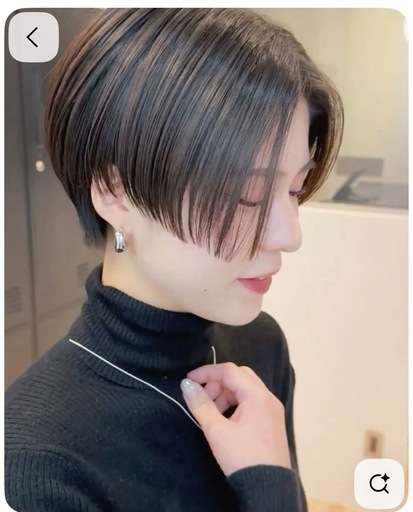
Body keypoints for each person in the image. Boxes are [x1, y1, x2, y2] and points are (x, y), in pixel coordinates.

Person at [5, 8, 343, 512]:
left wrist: (270, 482)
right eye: (248, 194)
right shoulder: (35, 459)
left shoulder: (260, 346)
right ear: (114, 192)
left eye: (295, 189)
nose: (289, 235)